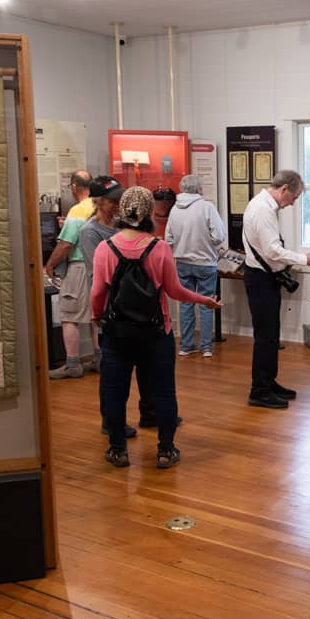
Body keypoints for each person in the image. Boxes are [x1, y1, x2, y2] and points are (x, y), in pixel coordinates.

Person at [91, 187, 222, 469]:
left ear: (120, 212)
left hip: (118, 333)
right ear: (151, 212)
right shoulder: (159, 248)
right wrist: (205, 300)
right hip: (155, 332)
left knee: (115, 392)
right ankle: (165, 450)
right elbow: (175, 291)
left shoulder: (105, 248)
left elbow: (97, 293)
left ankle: (118, 450)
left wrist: (96, 317)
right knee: (163, 392)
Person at [241, 170, 310, 409]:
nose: (293, 203)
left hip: (263, 276)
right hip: (260, 278)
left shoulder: (262, 206)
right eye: (294, 197)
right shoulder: (263, 210)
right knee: (265, 336)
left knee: (271, 334)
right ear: (284, 189)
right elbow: (272, 251)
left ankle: (268, 382)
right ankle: (259, 390)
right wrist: (303, 258)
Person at [79, 176, 152, 437]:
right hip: (112, 307)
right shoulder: (90, 232)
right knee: (113, 370)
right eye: (112, 201)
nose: (117, 205)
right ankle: (111, 421)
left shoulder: (122, 227)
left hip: (137, 305)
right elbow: (100, 273)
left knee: (146, 361)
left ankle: (150, 411)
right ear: (99, 202)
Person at [165, 174, 227, 358]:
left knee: (185, 304)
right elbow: (219, 236)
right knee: (207, 303)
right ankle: (206, 347)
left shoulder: (175, 209)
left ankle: (186, 345)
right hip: (205, 262)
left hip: (182, 262)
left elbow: (168, 238)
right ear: (199, 189)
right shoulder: (207, 207)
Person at [44, 170, 96, 379]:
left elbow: (66, 244)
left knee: (68, 314)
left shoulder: (77, 210)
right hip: (97, 266)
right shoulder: (98, 206)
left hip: (78, 266)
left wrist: (49, 265)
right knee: (96, 315)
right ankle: (99, 358)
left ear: (75, 187)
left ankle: (73, 363)